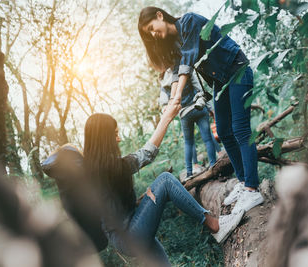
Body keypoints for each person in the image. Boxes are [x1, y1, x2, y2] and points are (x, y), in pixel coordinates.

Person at [138, 6, 264, 214]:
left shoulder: (189, 22)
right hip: (220, 81)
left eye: (152, 28)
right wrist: (173, 99)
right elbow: (179, 70)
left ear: (160, 16)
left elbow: (189, 57)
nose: (153, 34)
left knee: (240, 129)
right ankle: (243, 181)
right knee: (223, 131)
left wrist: (178, 96)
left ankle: (252, 188)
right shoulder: (176, 43)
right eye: (148, 33)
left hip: (238, 70)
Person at [83, 107, 244, 265]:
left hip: (131, 229)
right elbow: (147, 153)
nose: (119, 139)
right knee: (165, 180)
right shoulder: (108, 169)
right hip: (130, 236)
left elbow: (113, 210)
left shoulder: (95, 171)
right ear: (104, 139)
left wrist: (144, 202)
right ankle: (214, 225)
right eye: (115, 134)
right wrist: (167, 117)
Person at [159, 68, 221, 180]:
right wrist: (211, 109)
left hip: (184, 114)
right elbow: (199, 89)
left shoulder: (164, 79)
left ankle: (189, 172)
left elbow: (164, 103)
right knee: (207, 139)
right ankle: (213, 166)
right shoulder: (184, 68)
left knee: (188, 143)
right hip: (198, 108)